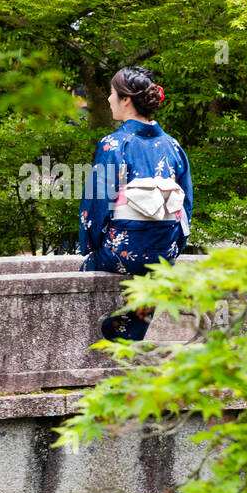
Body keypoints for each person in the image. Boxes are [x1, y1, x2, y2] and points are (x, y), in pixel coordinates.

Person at [78, 66, 193, 342]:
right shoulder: (174, 146)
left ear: (126, 100)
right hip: (164, 254)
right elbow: (185, 208)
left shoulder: (113, 145)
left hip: (122, 252)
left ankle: (96, 341)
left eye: (111, 93)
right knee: (154, 269)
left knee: (87, 267)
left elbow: (94, 209)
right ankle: (134, 324)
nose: (108, 99)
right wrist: (172, 249)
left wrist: (91, 247)